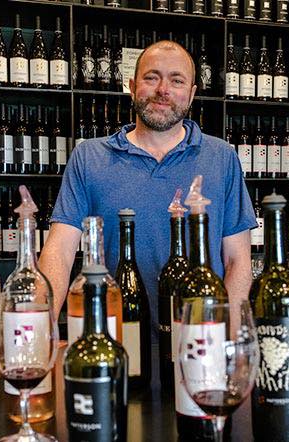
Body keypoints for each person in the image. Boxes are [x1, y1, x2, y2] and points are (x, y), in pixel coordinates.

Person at [39, 40, 256, 335]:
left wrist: (227, 342)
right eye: (152, 77)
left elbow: (237, 262)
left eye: (177, 80)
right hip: (113, 338)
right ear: (132, 86)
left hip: (200, 340)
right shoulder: (89, 156)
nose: (163, 90)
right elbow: (59, 252)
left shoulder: (221, 158)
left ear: (192, 94)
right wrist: (40, 330)